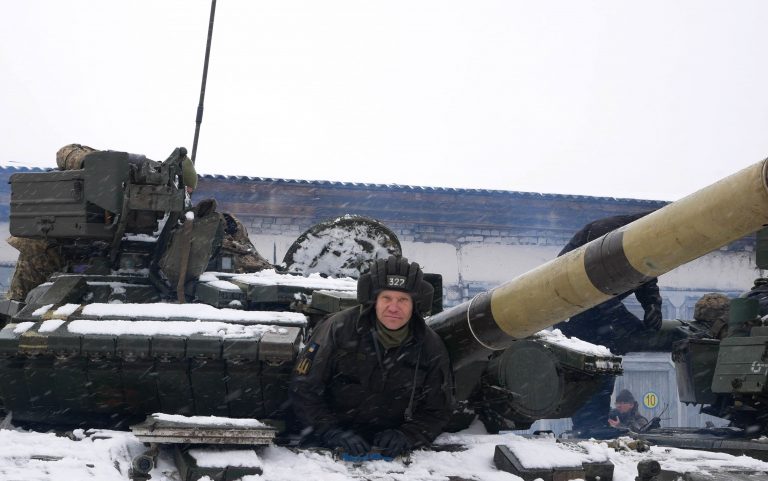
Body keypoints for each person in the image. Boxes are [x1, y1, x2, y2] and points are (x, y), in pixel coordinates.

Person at [289, 255, 452, 457]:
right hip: (328, 444)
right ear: (374, 301)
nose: (394, 308)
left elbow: (438, 410)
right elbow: (304, 388)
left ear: (415, 304)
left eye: (403, 300)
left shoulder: (429, 346)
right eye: (386, 298)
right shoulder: (338, 329)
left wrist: (408, 435)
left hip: (390, 450)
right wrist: (330, 431)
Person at [554, 211, 663, 435]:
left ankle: (596, 423)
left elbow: (646, 272)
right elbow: (593, 285)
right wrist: (625, 320)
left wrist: (652, 305)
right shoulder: (606, 233)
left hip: (594, 313)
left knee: (606, 366)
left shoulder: (640, 239)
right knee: (586, 368)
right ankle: (587, 425)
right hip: (572, 310)